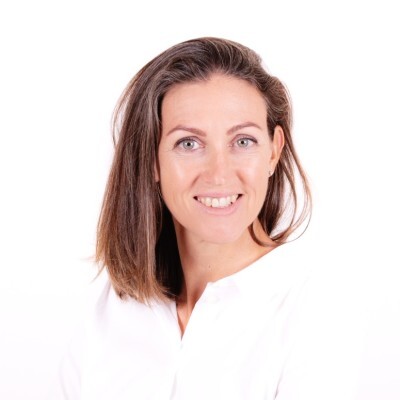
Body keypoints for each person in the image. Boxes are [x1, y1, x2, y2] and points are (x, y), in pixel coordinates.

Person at [51, 37, 351, 399]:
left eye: (243, 141)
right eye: (189, 143)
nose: (219, 174)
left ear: (274, 151)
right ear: (151, 160)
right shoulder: (107, 312)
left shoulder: (311, 308)